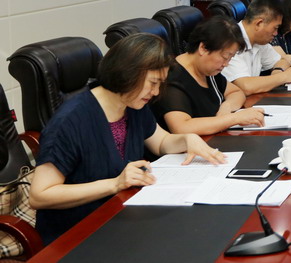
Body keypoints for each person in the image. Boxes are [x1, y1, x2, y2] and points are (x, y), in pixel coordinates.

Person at [30, 33, 226, 244]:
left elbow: (160, 142)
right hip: (79, 233)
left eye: (160, 84)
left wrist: (187, 139)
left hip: (122, 215)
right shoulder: (70, 122)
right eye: (153, 83)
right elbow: (40, 195)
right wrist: (115, 184)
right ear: (127, 73)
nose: (156, 92)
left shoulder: (132, 104)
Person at [152, 16, 267, 135]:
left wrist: (226, 107)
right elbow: (182, 127)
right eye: (225, 57)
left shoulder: (207, 70)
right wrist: (234, 119)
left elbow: (236, 92)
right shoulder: (172, 77)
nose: (226, 64)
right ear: (203, 48)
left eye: (230, 58)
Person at [221, 0, 291, 95]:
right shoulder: (230, 40)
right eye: (275, 28)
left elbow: (281, 61)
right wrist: (285, 76)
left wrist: (277, 72)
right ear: (259, 23)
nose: (276, 33)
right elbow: (245, 86)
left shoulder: (259, 41)